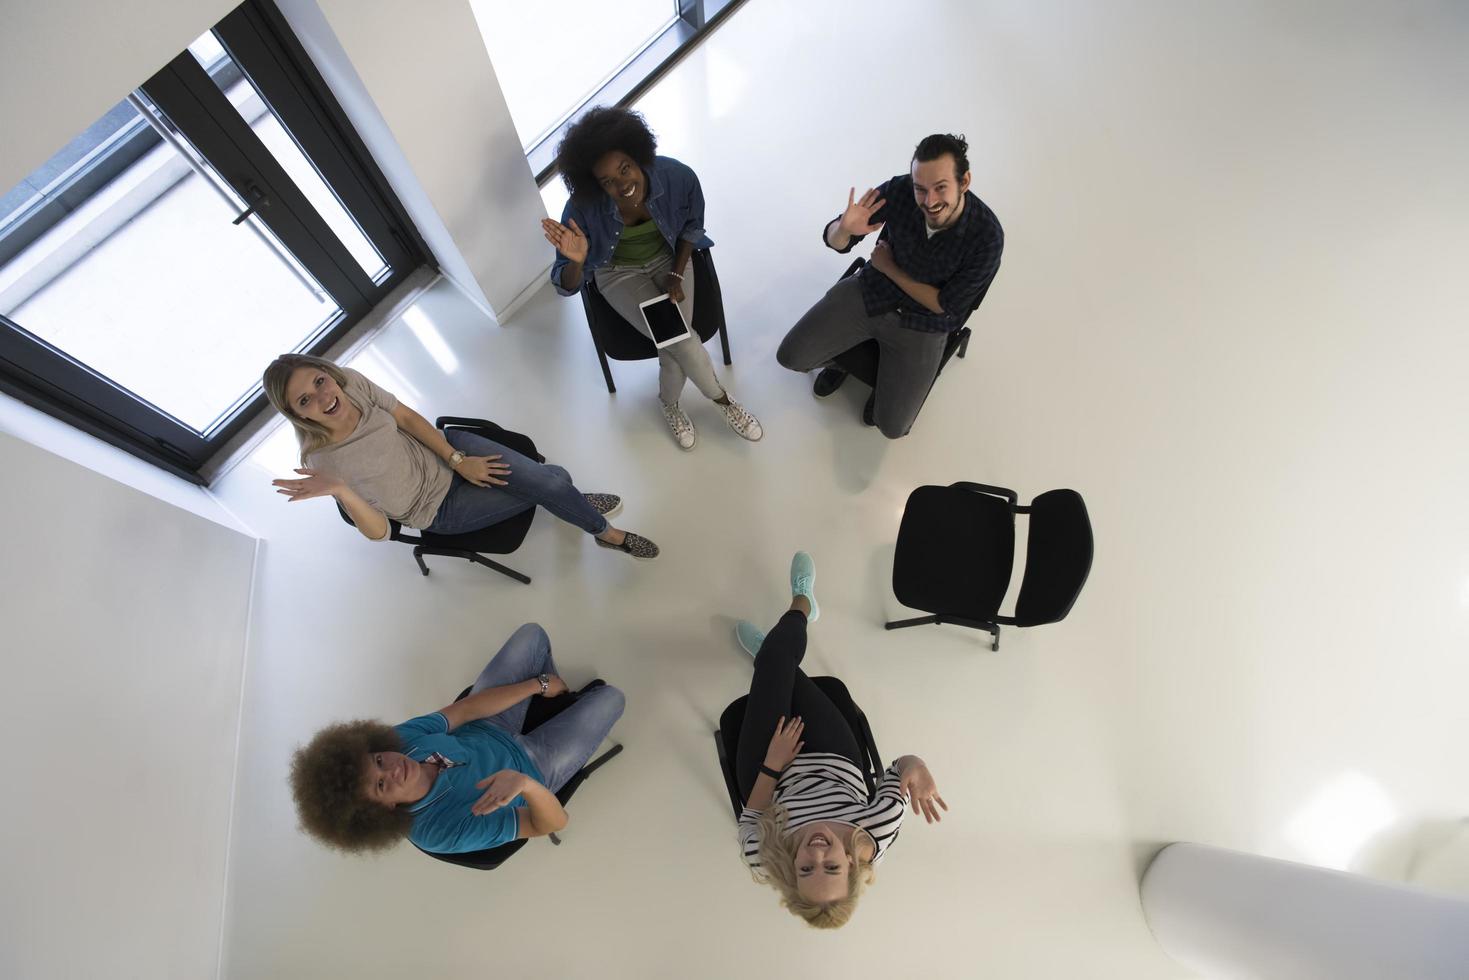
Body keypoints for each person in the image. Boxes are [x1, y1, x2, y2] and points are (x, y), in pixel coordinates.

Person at [262, 353, 659, 560]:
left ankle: (569, 503)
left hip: (448, 451)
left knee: (553, 480)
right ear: (296, 413)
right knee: (553, 478)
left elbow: (403, 416)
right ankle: (606, 534)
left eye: (320, 380)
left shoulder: (350, 383)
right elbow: (381, 533)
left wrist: (456, 460)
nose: (323, 396)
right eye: (305, 399)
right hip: (437, 509)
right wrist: (342, 493)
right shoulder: (322, 462)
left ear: (328, 372)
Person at [731, 553, 948, 928]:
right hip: (835, 759)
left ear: (791, 872)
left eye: (806, 868)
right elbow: (898, 769)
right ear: (850, 865)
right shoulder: (875, 831)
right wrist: (919, 768)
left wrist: (773, 763)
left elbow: (750, 817)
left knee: (777, 664)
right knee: (777, 664)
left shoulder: (765, 857)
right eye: (830, 866)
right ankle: (800, 608)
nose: (817, 852)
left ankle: (775, 648)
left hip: (771, 772)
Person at [289, 622, 625, 855]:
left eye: (378, 761)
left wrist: (537, 685)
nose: (392, 770)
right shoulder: (438, 831)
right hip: (535, 768)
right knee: (611, 699)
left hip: (488, 726)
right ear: (383, 810)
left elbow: (463, 711)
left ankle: (556, 698)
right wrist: (524, 784)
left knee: (532, 636)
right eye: (380, 786)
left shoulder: (398, 740)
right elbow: (552, 823)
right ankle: (567, 706)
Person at [541, 106, 763, 452]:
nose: (621, 185)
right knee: (681, 339)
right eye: (607, 181)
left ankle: (669, 404)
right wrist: (578, 261)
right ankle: (724, 402)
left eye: (625, 169)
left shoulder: (677, 176)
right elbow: (565, 285)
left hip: (670, 257)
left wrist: (677, 270)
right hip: (618, 274)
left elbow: (692, 228)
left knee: (674, 344)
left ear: (638, 155)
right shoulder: (581, 209)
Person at [776, 133, 1004, 438]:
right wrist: (842, 229)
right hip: (873, 291)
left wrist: (890, 269)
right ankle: (842, 363)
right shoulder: (900, 190)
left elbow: (944, 304)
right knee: (791, 356)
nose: (929, 201)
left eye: (941, 188)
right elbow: (838, 241)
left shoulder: (987, 237)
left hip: (924, 323)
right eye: (920, 189)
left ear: (964, 182)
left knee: (893, 427)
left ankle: (884, 384)